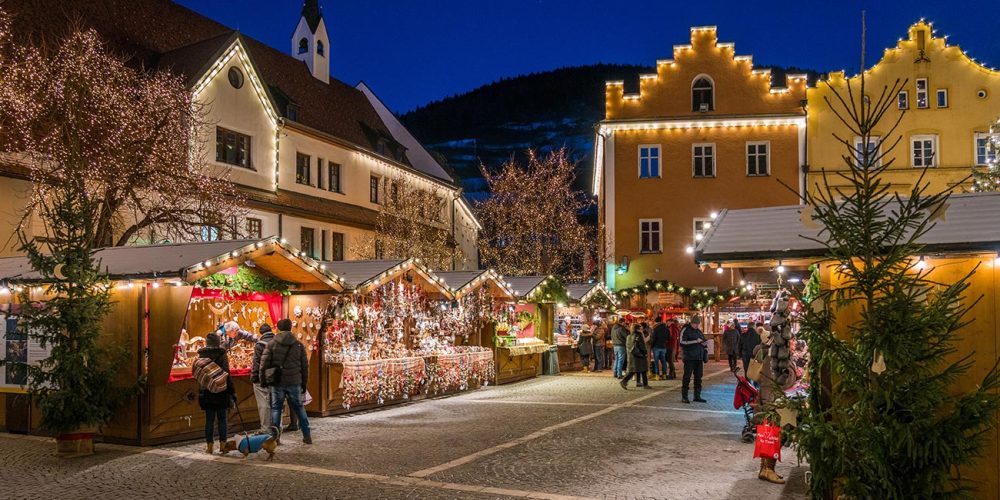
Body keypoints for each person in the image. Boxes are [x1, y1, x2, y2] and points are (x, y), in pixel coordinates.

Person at [260, 318, 312, 444]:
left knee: (276, 408)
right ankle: (307, 435)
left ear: (278, 328)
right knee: (299, 407)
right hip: (294, 381)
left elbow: (264, 364)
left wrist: (263, 380)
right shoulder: (298, 345)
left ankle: (275, 437)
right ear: (290, 328)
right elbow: (305, 366)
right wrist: (304, 383)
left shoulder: (271, 344)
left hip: (277, 382)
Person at [193, 332, 235, 454]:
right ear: (218, 342)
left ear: (207, 343)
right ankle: (223, 445)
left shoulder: (201, 356)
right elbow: (227, 374)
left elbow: (198, 375)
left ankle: (209, 447)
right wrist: (232, 391)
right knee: (222, 419)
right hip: (222, 391)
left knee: (209, 420)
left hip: (206, 391)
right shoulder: (222, 354)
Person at [250, 323, 275, 432]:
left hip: (263, 378)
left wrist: (254, 378)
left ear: (261, 333)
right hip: (277, 378)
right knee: (276, 404)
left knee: (263, 404)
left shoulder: (260, 345)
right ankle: (276, 429)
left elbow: (256, 363)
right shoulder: (279, 342)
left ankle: (266, 429)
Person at [679, 316, 708, 403]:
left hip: (699, 358)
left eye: (698, 324)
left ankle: (697, 396)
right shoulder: (685, 330)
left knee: (698, 377)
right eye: (695, 324)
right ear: (691, 323)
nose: (697, 325)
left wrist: (704, 344)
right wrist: (695, 341)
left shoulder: (699, 331)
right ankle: (684, 396)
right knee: (687, 377)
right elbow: (681, 342)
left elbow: (703, 342)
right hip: (689, 357)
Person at [620, 324, 650, 389]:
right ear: (638, 329)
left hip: (632, 355)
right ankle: (645, 384)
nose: (642, 330)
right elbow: (641, 346)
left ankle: (637, 382)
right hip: (639, 355)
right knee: (643, 370)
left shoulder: (629, 336)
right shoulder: (639, 336)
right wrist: (644, 353)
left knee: (634, 370)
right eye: (641, 329)